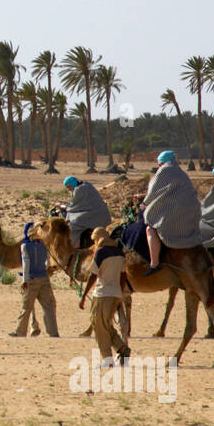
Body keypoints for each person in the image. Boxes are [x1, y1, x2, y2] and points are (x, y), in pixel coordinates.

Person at [142, 151, 201, 274]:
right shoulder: (182, 173)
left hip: (174, 218)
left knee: (150, 229)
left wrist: (144, 203)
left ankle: (154, 263)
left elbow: (153, 192)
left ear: (161, 162)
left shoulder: (164, 171)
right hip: (192, 216)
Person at [80, 227, 130, 365]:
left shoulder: (101, 252)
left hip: (102, 294)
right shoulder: (120, 253)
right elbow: (123, 276)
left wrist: (84, 295)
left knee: (99, 326)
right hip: (115, 293)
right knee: (105, 324)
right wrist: (120, 294)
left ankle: (107, 358)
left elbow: (93, 275)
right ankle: (121, 347)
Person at [11, 222, 57, 337]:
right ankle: (53, 332)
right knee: (48, 307)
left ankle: (20, 331)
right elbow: (47, 262)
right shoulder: (43, 245)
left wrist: (24, 281)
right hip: (44, 278)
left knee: (26, 307)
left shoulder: (25, 246)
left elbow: (26, 264)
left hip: (32, 279)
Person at [63, 175, 111, 248]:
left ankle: (74, 246)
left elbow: (74, 206)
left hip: (95, 214)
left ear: (73, 183)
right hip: (102, 212)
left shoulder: (79, 190)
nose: (69, 189)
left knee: (72, 224)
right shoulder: (87, 185)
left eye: (69, 186)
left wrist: (64, 207)